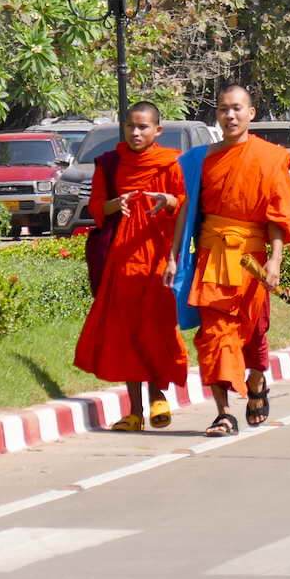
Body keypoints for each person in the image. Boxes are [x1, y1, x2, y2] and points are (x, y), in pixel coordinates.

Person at [172, 85, 290, 437]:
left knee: (254, 331)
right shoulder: (199, 160)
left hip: (253, 260)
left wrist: (275, 261)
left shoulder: (269, 158)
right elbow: (184, 210)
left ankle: (257, 381)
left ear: (251, 113)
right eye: (223, 109)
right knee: (214, 336)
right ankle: (224, 414)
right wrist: (174, 256)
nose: (229, 116)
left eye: (236, 109)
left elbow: (277, 217)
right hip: (213, 258)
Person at [73, 102, 189, 432]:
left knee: (157, 329)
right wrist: (116, 203)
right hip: (122, 259)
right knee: (127, 335)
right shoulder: (111, 163)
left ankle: (158, 396)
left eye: (143, 127)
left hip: (157, 257)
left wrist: (167, 202)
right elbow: (96, 206)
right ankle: (135, 411)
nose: (136, 133)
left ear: (158, 131)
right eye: (131, 127)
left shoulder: (170, 163)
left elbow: (183, 206)